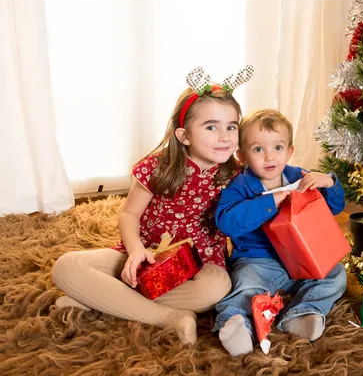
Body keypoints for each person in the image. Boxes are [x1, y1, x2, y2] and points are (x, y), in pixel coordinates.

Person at [52, 66, 253, 345]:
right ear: (184, 136)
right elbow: (129, 213)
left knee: (216, 289)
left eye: (231, 126)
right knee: (66, 267)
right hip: (147, 255)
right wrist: (135, 251)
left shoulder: (236, 175)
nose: (225, 136)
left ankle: (105, 298)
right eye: (211, 127)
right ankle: (169, 317)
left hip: (199, 268)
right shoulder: (159, 167)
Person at [213, 109, 347, 356]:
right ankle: (237, 327)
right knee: (245, 287)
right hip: (257, 261)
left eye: (277, 147)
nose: (269, 157)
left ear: (290, 151)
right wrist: (269, 202)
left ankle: (301, 314)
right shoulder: (240, 186)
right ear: (241, 156)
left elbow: (335, 207)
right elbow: (226, 221)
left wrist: (329, 182)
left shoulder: (298, 176)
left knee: (336, 274)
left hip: (300, 258)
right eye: (258, 149)